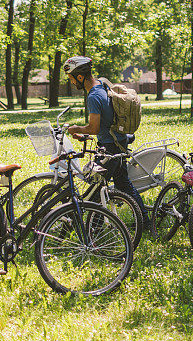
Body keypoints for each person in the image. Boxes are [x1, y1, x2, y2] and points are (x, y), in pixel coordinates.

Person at [63, 56, 148, 221]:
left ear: (79, 77)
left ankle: (95, 230)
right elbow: (104, 122)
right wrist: (85, 134)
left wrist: (76, 128)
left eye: (72, 78)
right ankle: (144, 220)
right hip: (119, 142)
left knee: (96, 190)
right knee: (123, 185)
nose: (72, 82)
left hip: (110, 148)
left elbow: (94, 127)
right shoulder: (101, 85)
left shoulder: (93, 97)